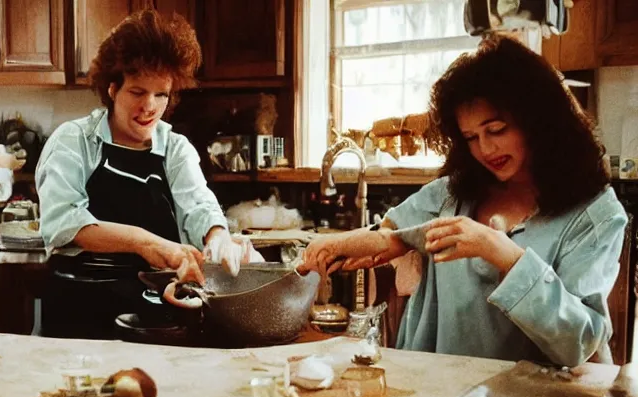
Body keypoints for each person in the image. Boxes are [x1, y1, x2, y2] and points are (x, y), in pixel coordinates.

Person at [299, 35, 626, 367]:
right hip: (439, 394)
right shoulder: (454, 191)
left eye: (496, 130)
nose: (485, 149)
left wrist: (503, 254)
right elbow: (391, 238)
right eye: (471, 137)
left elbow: (579, 343)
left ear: (538, 122)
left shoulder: (595, 214)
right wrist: (337, 245)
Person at [36, 10, 261, 339]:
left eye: (161, 94)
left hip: (158, 315)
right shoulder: (74, 141)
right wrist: (146, 243)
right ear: (113, 89)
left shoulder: (175, 148)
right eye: (138, 92)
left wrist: (218, 238)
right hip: (78, 312)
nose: (150, 107)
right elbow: (64, 220)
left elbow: (199, 205)